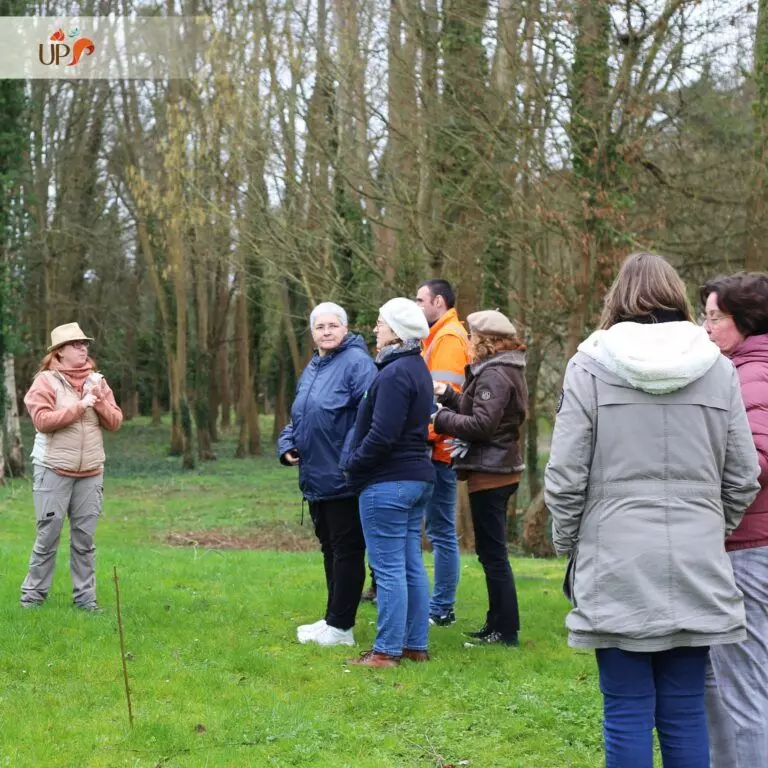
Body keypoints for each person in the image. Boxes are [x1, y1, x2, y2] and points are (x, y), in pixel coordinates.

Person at [544, 252, 761, 768]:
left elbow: (565, 475)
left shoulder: (589, 364)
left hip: (614, 557)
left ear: (617, 297)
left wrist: (569, 543)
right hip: (696, 559)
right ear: (677, 296)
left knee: (625, 710)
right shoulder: (716, 367)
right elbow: (743, 474)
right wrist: (710, 526)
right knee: (685, 710)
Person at [343, 298, 435, 668]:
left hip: (389, 481)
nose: (376, 329)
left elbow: (382, 434)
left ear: (396, 331)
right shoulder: (417, 368)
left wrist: (352, 463)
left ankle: (386, 651)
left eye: (380, 323)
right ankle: (414, 645)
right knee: (410, 564)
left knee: (388, 568)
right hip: (414, 479)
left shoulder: (395, 373)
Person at [278, 302, 376, 647]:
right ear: (313, 333)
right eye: (320, 327)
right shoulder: (315, 366)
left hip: (343, 477)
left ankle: (342, 627)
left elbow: (368, 417)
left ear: (345, 328)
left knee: (347, 551)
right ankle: (332, 619)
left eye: (333, 326)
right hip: (316, 476)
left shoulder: (357, 364)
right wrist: (286, 443)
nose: (327, 332)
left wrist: (347, 460)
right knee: (330, 550)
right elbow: (300, 415)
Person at [701, 272, 768, 767]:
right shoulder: (743, 367)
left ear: (744, 321)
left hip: (748, 548)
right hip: (747, 545)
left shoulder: (751, 375)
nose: (706, 329)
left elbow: (757, 461)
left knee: (743, 694)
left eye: (714, 318)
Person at [432, 309, 527, 646]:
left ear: (485, 340)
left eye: (472, 336)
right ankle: (496, 622)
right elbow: (479, 411)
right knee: (491, 553)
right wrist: (448, 394)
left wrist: (441, 419)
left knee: (493, 554)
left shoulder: (495, 375)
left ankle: (505, 630)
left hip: (492, 472)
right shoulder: (500, 370)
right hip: (496, 468)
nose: (468, 342)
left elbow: (481, 426)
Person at [21, 322, 123, 612]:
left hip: (91, 472)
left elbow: (115, 421)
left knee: (85, 541)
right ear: (59, 351)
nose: (83, 348)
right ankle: (32, 597)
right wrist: (80, 406)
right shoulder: (45, 382)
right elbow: (42, 421)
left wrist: (98, 398)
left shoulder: (98, 381)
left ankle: (86, 600)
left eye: (85, 344)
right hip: (53, 469)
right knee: (48, 536)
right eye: (76, 344)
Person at [415, 279, 469, 626]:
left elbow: (442, 395)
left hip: (440, 450)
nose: (416, 305)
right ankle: (438, 604)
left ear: (438, 301)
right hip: (438, 447)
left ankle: (442, 607)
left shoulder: (448, 339)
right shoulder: (438, 335)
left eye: (420, 299)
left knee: (441, 532)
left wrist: (425, 435)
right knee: (438, 530)